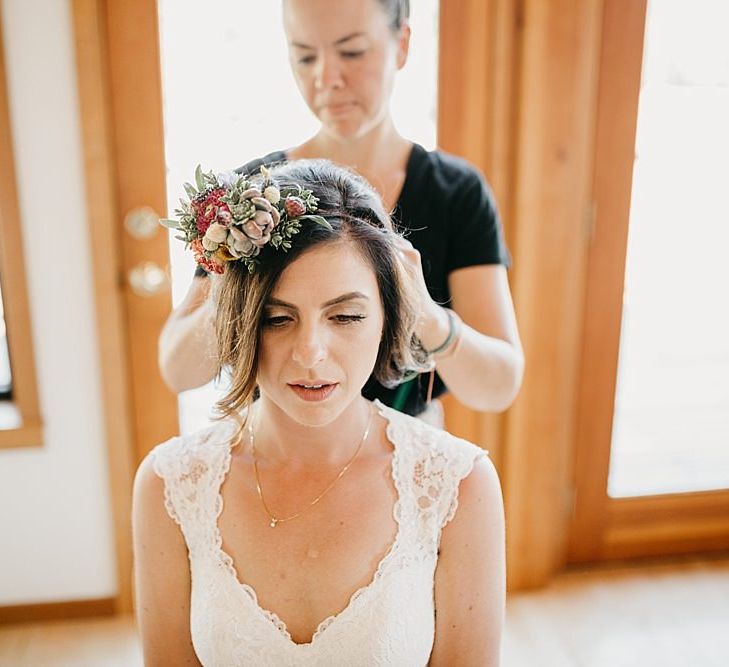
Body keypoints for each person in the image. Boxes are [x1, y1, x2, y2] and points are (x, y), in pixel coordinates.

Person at [135, 160, 506, 665]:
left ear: (388, 318)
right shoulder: (169, 483)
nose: (310, 353)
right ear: (237, 324)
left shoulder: (458, 485)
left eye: (346, 316)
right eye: (277, 318)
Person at [158, 0, 524, 422]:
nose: (326, 79)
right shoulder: (253, 192)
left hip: (402, 444)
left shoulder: (456, 194)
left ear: (402, 44)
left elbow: (499, 386)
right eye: (305, 56)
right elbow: (177, 370)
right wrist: (234, 273)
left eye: (351, 52)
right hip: (273, 446)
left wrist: (423, 311)